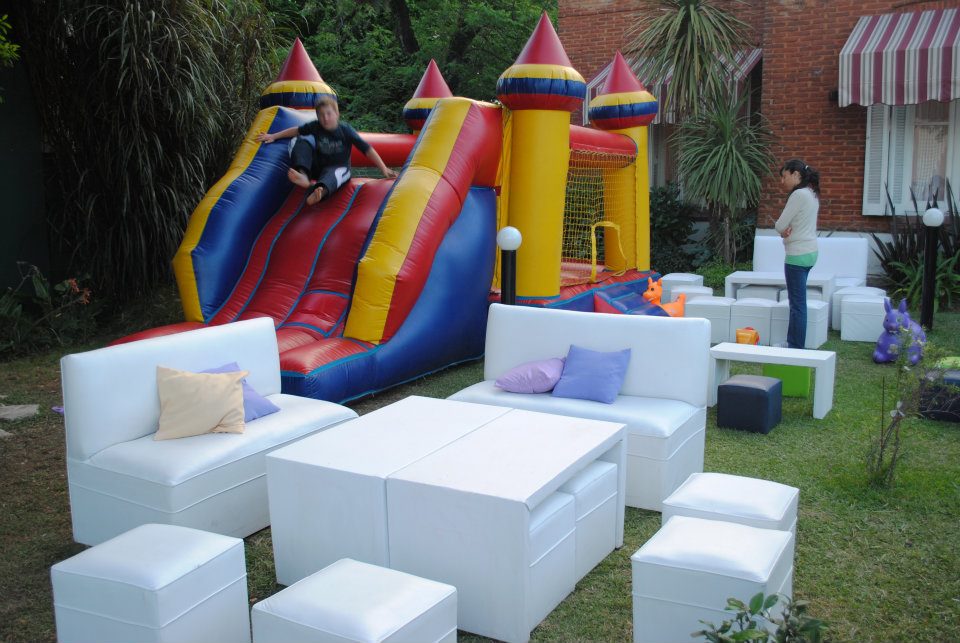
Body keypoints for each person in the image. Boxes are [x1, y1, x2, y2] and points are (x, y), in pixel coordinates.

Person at [256, 96, 397, 205]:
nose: (325, 118)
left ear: (337, 114)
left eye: (329, 114)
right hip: (318, 166)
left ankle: (320, 192)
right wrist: (273, 136)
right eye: (321, 115)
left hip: (338, 167)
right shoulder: (316, 126)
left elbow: (367, 149)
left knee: (337, 173)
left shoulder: (345, 130)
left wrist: (383, 168)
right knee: (300, 141)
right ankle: (303, 175)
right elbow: (296, 130)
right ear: (317, 116)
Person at [774, 159, 820, 349]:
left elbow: (780, 225)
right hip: (810, 253)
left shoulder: (798, 195)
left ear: (795, 174)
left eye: (784, 176)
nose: (782, 181)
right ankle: (793, 343)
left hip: (797, 255)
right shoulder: (811, 193)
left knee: (797, 305)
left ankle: (795, 346)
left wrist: (782, 231)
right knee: (799, 303)